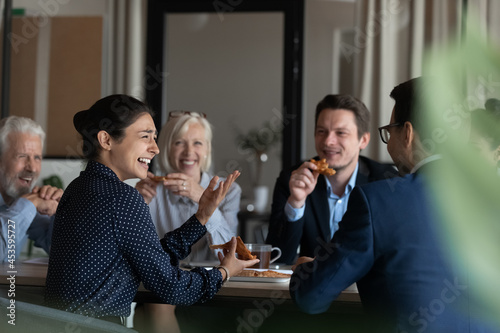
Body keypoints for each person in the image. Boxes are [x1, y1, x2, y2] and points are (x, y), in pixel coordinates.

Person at [290, 78, 497, 332]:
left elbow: (313, 298)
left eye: (389, 132)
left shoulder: (376, 201)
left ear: (407, 133)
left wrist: (303, 269)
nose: (388, 144)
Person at [44, 95, 259, 324]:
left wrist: (202, 216)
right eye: (145, 136)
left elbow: (152, 259)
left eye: (155, 138)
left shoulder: (77, 188)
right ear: (106, 140)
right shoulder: (123, 197)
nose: (155, 148)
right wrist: (223, 272)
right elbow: (172, 288)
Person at [133, 111, 241, 333]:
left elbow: (229, 253)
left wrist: (203, 200)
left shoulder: (228, 191)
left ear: (207, 149)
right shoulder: (147, 188)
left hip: (214, 287)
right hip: (163, 287)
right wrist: (135, 206)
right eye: (179, 143)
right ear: (166, 147)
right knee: (154, 304)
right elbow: (137, 254)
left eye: (198, 143)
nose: (189, 152)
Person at [266, 94, 398, 264]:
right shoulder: (293, 179)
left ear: (363, 140)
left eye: (341, 133)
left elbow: (393, 252)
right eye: (321, 131)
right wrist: (296, 203)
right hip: (310, 287)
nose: (328, 141)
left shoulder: (386, 181)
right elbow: (276, 258)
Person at [0, 116, 63, 262]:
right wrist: (27, 205)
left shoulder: (20, 199)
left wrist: (58, 211)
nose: (33, 168)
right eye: (22, 156)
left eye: (37, 157)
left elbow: (62, 252)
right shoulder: (26, 205)